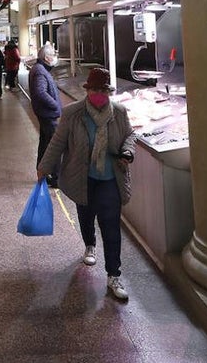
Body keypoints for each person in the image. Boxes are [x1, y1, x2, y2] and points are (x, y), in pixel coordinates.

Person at [37, 67, 136, 301]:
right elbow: (58, 142)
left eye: (103, 90)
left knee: (111, 225)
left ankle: (114, 275)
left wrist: (128, 151)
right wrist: (44, 168)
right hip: (82, 176)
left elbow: (130, 135)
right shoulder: (73, 113)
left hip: (111, 177)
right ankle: (90, 245)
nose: (99, 94)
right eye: (94, 90)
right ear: (87, 90)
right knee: (85, 215)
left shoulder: (119, 113)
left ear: (109, 91)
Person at [29, 43, 63, 187]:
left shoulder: (40, 69)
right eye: (53, 55)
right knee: (54, 146)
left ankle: (42, 172)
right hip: (48, 115)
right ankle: (55, 178)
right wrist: (55, 105)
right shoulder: (40, 71)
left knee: (44, 144)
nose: (54, 58)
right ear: (46, 57)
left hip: (45, 114)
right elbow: (41, 92)